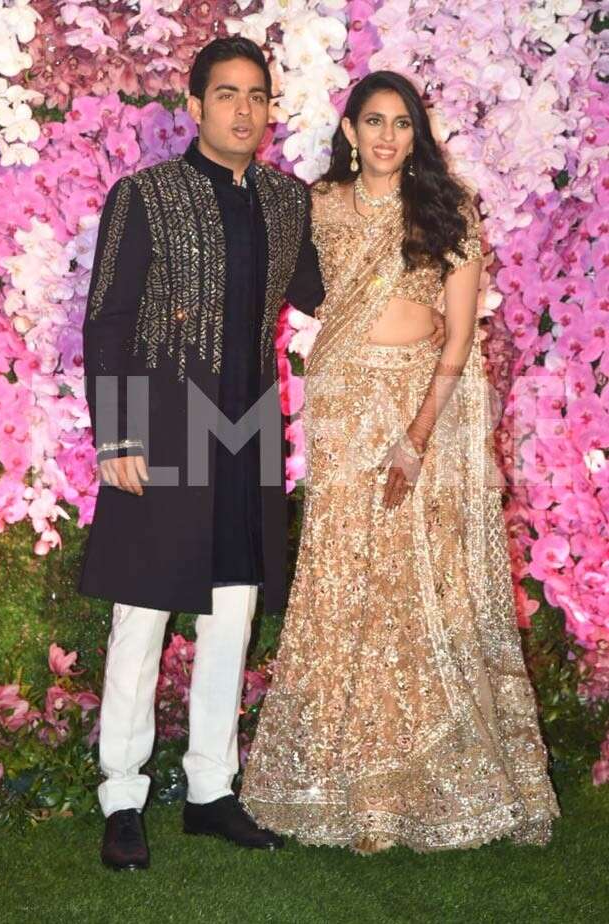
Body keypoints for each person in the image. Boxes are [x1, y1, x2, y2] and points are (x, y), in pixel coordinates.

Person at [241, 71, 560, 854]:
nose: (386, 135)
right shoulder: (315, 208)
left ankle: (427, 783)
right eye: (372, 121)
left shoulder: (446, 211)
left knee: (423, 583)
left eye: (401, 123)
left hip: (421, 404)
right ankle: (355, 787)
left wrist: (417, 435)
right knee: (347, 577)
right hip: (345, 402)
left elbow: (458, 339)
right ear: (349, 130)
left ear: (416, 134)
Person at [80, 37, 327, 870]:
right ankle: (123, 795)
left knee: (233, 613)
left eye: (257, 95)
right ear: (195, 107)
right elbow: (107, 318)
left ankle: (212, 790)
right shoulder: (144, 196)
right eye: (226, 94)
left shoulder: (289, 204)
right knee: (142, 614)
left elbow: (326, 295)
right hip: (163, 425)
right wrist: (115, 432)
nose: (244, 110)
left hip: (248, 425)